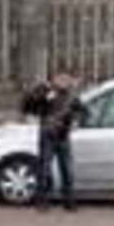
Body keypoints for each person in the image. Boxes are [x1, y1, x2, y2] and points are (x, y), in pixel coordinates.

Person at [20, 71, 88, 212]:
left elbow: (84, 112)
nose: (63, 82)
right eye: (60, 78)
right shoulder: (46, 93)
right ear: (54, 80)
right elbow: (28, 106)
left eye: (66, 79)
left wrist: (76, 119)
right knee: (44, 170)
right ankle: (42, 202)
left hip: (63, 136)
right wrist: (38, 92)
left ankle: (69, 202)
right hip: (47, 135)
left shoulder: (72, 97)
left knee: (67, 170)